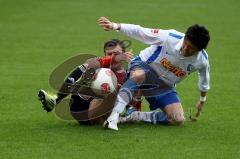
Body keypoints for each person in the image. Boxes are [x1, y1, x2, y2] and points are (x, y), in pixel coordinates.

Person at [98, 17, 210, 130]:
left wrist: (202, 100)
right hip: (144, 66)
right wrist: (115, 25)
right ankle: (113, 116)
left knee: (178, 119)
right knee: (139, 74)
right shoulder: (169, 37)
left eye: (191, 49)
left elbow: (204, 79)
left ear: (199, 50)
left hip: (164, 86)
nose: (185, 49)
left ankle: (136, 116)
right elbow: (140, 31)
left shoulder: (202, 60)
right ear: (185, 37)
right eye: (185, 43)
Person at [38, 39, 141, 125]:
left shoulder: (128, 73)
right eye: (110, 54)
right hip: (80, 109)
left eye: (117, 54)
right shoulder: (98, 64)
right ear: (105, 54)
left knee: (136, 77)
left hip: (105, 111)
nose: (113, 57)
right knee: (90, 68)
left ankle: (128, 114)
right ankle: (57, 99)